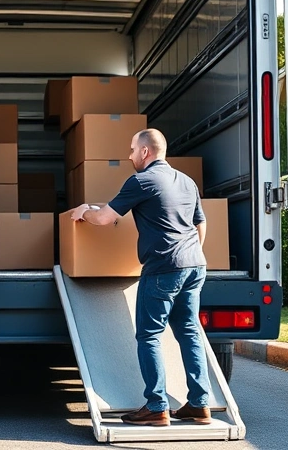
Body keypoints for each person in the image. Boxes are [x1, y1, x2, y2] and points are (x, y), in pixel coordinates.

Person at [70, 128, 211, 427]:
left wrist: (83, 212)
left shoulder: (142, 180)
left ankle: (157, 406)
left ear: (145, 152)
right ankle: (199, 404)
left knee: (149, 335)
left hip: (163, 268)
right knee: (188, 331)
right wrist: (192, 254)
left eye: (132, 149)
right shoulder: (187, 181)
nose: (130, 155)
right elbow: (201, 223)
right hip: (195, 266)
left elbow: (106, 218)